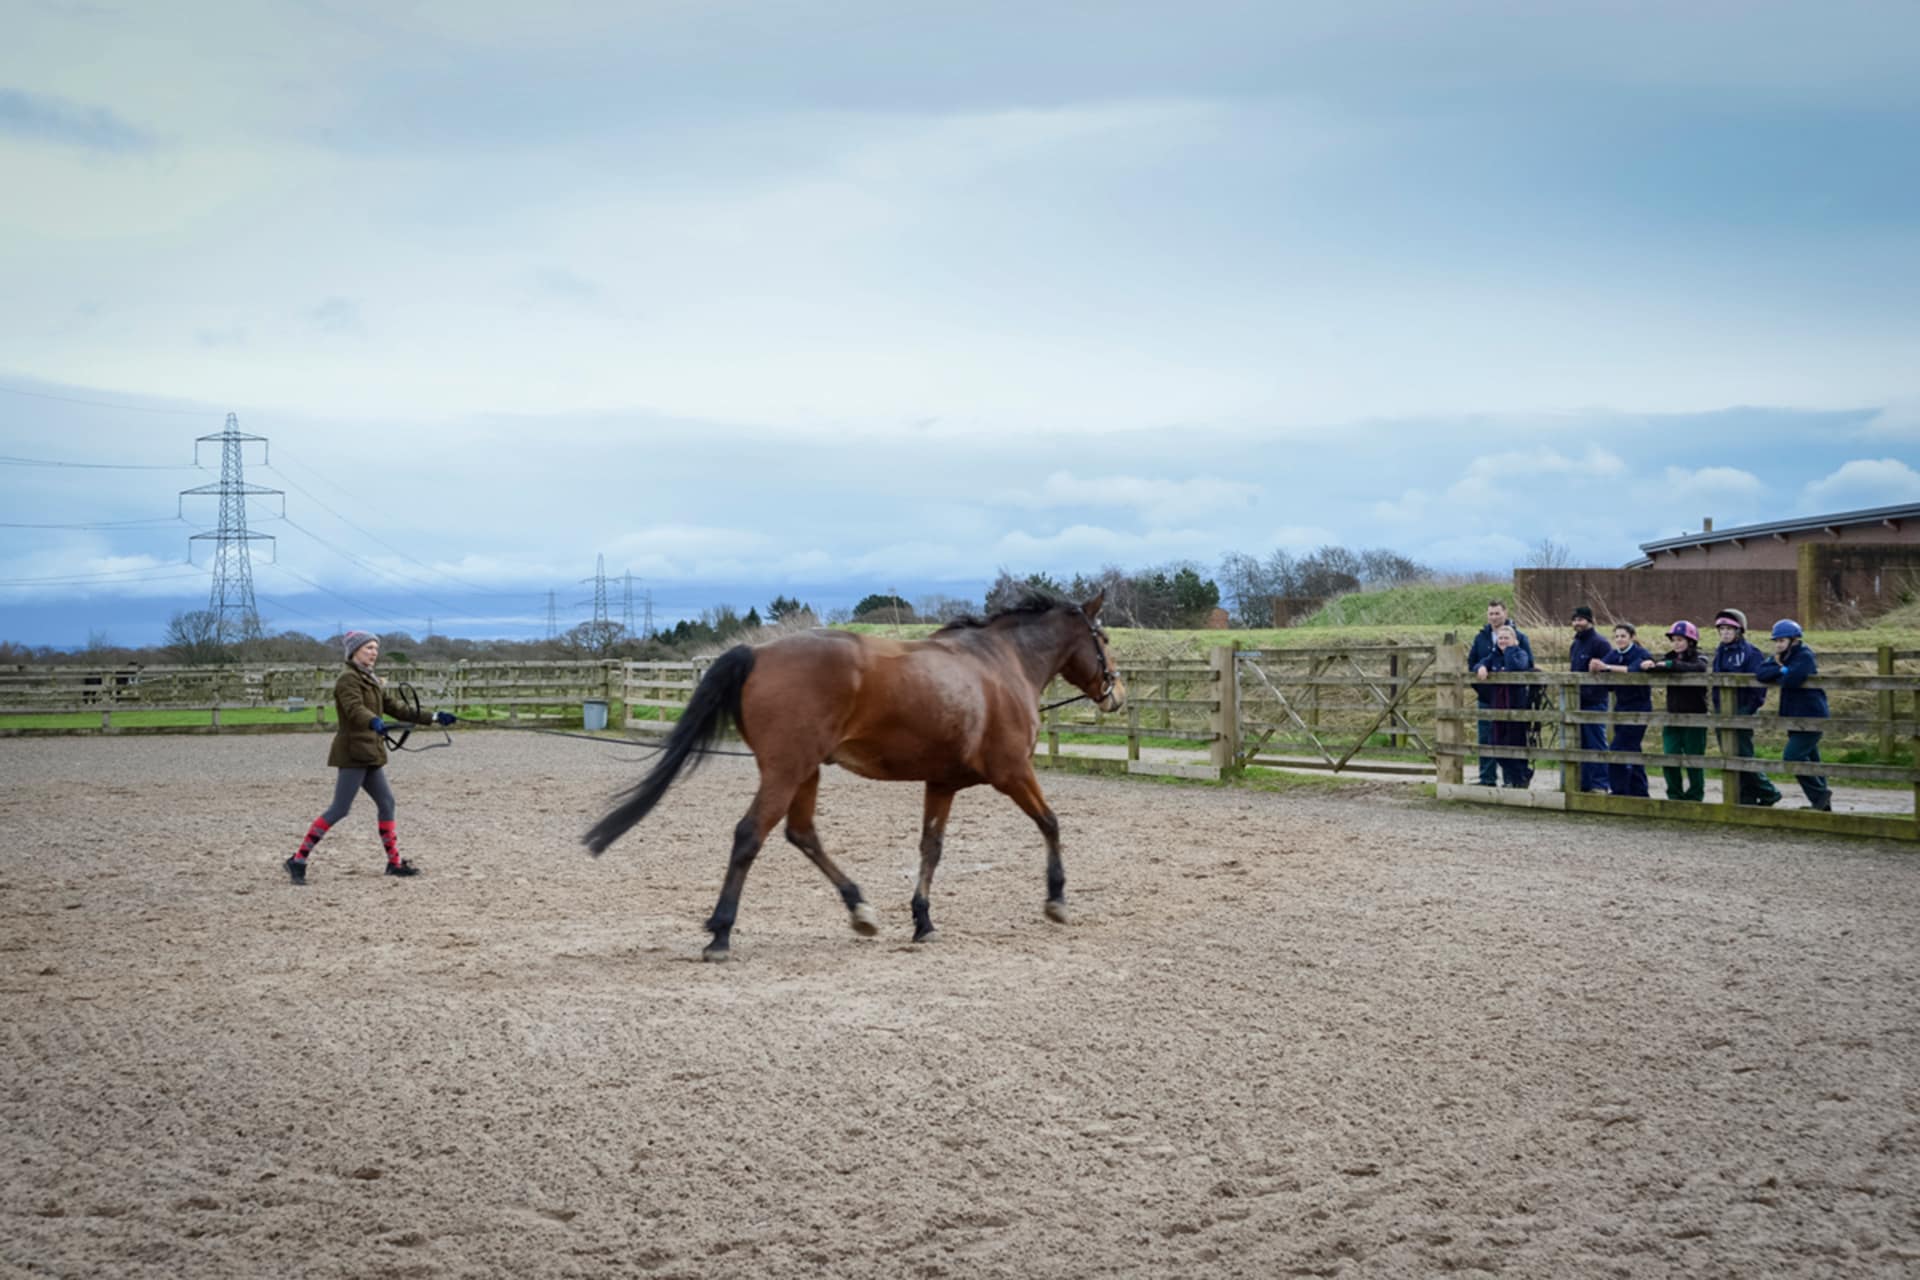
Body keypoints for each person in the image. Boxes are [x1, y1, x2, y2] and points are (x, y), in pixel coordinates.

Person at [285, 630, 456, 884]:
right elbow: (355, 709)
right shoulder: (347, 680)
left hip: (371, 752)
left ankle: (394, 863)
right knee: (340, 809)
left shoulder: (370, 679)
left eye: (376, 648)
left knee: (386, 803)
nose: (374, 652)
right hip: (354, 751)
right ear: (354, 651)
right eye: (368, 648)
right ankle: (297, 860)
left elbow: (398, 708)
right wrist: (373, 721)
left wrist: (432, 717)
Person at [1756, 619, 1832, 811]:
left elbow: (1791, 680)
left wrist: (1781, 671)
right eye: (1777, 640)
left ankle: (1820, 795)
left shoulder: (1805, 656)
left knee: (1792, 756)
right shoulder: (1783, 656)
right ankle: (1821, 804)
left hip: (1811, 716)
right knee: (1812, 760)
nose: (1778, 644)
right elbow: (1761, 672)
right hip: (1793, 717)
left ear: (1794, 640)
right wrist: (1781, 669)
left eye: (1782, 640)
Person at [1711, 608, 1782, 807]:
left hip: (1742, 708)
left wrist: (1748, 709)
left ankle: (1769, 792)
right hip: (1722, 710)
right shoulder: (1720, 652)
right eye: (1722, 629)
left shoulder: (1750, 653)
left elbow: (1758, 686)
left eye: (1729, 629)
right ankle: (1745, 797)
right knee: (1728, 753)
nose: (1725, 633)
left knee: (1742, 754)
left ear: (1739, 630)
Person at [1641, 621, 1709, 801]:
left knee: (1694, 759)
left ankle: (1695, 795)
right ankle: (1675, 794)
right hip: (1672, 715)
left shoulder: (1699, 658)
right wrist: (1649, 665)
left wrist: (1670, 665)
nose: (1676, 643)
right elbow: (1658, 668)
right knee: (1669, 755)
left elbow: (1699, 668)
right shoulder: (1669, 657)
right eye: (1674, 640)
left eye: (1680, 640)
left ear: (1691, 641)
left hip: (1695, 716)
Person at [1466, 600, 1532, 786]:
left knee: (1511, 740)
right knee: (1487, 739)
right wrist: (1481, 679)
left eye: (1497, 613)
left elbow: (1527, 664)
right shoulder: (1481, 638)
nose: (1494, 617)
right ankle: (1487, 778)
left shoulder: (1520, 637)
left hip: (1513, 700)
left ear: (1505, 613)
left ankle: (1513, 779)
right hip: (1489, 697)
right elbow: (1474, 662)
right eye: (1491, 614)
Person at [1593, 622, 1652, 797]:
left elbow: (1634, 669)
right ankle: (1639, 791)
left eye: (1623, 636)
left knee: (1618, 748)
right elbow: (1602, 666)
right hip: (1621, 705)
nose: (1619, 639)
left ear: (1632, 637)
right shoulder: (1614, 654)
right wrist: (1596, 666)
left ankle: (1619, 790)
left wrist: (1608, 668)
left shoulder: (1640, 653)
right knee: (1632, 749)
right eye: (1617, 636)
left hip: (1639, 705)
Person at [1569, 606, 1614, 792]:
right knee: (1581, 743)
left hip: (1595, 700)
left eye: (1581, 619)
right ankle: (1584, 783)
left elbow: (1609, 668)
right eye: (1575, 619)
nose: (1577, 623)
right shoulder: (1576, 644)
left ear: (1589, 620)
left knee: (1596, 742)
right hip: (1577, 700)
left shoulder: (1600, 643)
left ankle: (1600, 783)